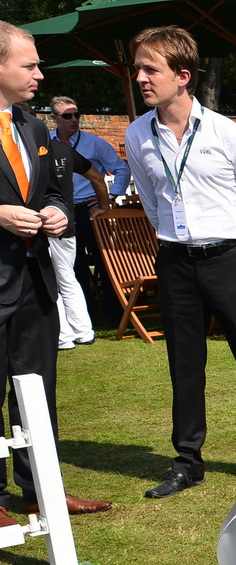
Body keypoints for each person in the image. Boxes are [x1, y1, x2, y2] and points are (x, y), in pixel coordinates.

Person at [124, 25, 236, 499]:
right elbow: (153, 202)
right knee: (184, 365)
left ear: (183, 76)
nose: (140, 78)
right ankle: (187, 461)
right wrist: (182, 246)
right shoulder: (138, 134)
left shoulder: (225, 133)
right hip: (174, 262)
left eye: (151, 69)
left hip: (229, 259)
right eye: (137, 68)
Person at [0, 22, 110, 524]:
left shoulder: (31, 126)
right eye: (30, 65)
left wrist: (57, 211)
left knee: (39, 387)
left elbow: (47, 189)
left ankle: (41, 488)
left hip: (35, 279)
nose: (40, 74)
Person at [47, 94, 128, 319]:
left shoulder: (95, 143)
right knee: (73, 265)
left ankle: (114, 311)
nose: (74, 119)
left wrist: (110, 196)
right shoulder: (46, 142)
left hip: (89, 210)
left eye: (77, 114)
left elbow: (121, 169)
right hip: (62, 210)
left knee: (104, 260)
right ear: (54, 117)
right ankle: (85, 313)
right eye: (67, 116)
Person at [46, 134, 109, 350]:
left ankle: (63, 337)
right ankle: (83, 332)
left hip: (43, 222)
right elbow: (97, 177)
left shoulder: (23, 150)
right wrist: (104, 205)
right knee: (68, 278)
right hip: (66, 219)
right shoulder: (63, 150)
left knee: (50, 281)